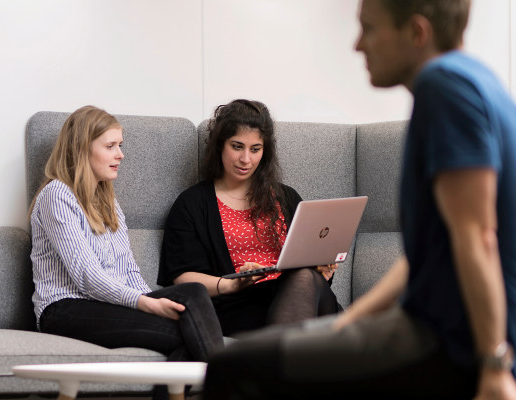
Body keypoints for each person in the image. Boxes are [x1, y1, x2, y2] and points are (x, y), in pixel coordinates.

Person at [203, 1, 516, 399]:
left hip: (446, 340)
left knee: (234, 368)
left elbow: (478, 237)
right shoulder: (478, 80)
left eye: (369, 28)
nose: (357, 45)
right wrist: (351, 321)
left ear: (417, 33)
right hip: (434, 327)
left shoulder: (444, 87)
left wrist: (494, 364)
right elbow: (435, 250)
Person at [30, 105, 224, 364]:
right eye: (110, 146)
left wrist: (151, 298)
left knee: (193, 293)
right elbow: (87, 276)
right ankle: (228, 383)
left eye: (120, 145)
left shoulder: (108, 203)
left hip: (107, 305)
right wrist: (146, 304)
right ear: (82, 149)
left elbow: (129, 271)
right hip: (65, 308)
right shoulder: (58, 195)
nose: (120, 154)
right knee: (187, 333)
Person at [158, 99, 340, 337]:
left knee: (305, 278)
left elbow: (309, 261)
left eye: (255, 149)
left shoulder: (287, 197)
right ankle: (288, 363)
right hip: (238, 306)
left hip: (300, 296)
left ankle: (280, 364)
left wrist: (324, 269)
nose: (246, 159)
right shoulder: (192, 203)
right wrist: (231, 283)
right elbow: (182, 277)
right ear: (220, 145)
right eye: (237, 146)